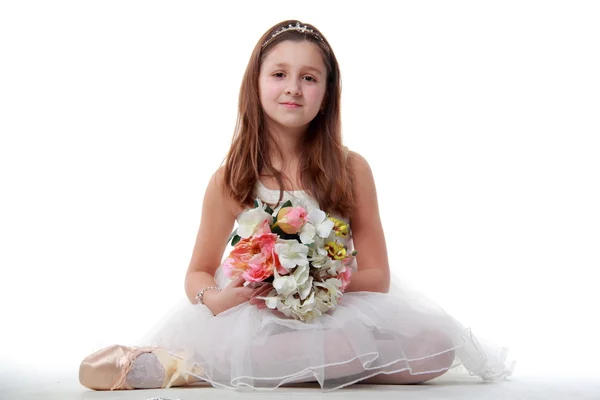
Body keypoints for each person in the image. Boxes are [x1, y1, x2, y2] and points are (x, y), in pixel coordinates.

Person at [78, 19, 515, 392]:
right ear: (257, 83)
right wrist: (218, 299)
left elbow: (378, 275)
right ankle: (198, 362)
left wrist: (315, 279)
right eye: (279, 74)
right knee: (321, 349)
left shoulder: (351, 169)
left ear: (327, 92)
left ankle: (229, 369)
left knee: (433, 348)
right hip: (256, 310)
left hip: (331, 304)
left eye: (309, 78)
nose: (293, 88)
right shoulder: (232, 176)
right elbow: (197, 271)